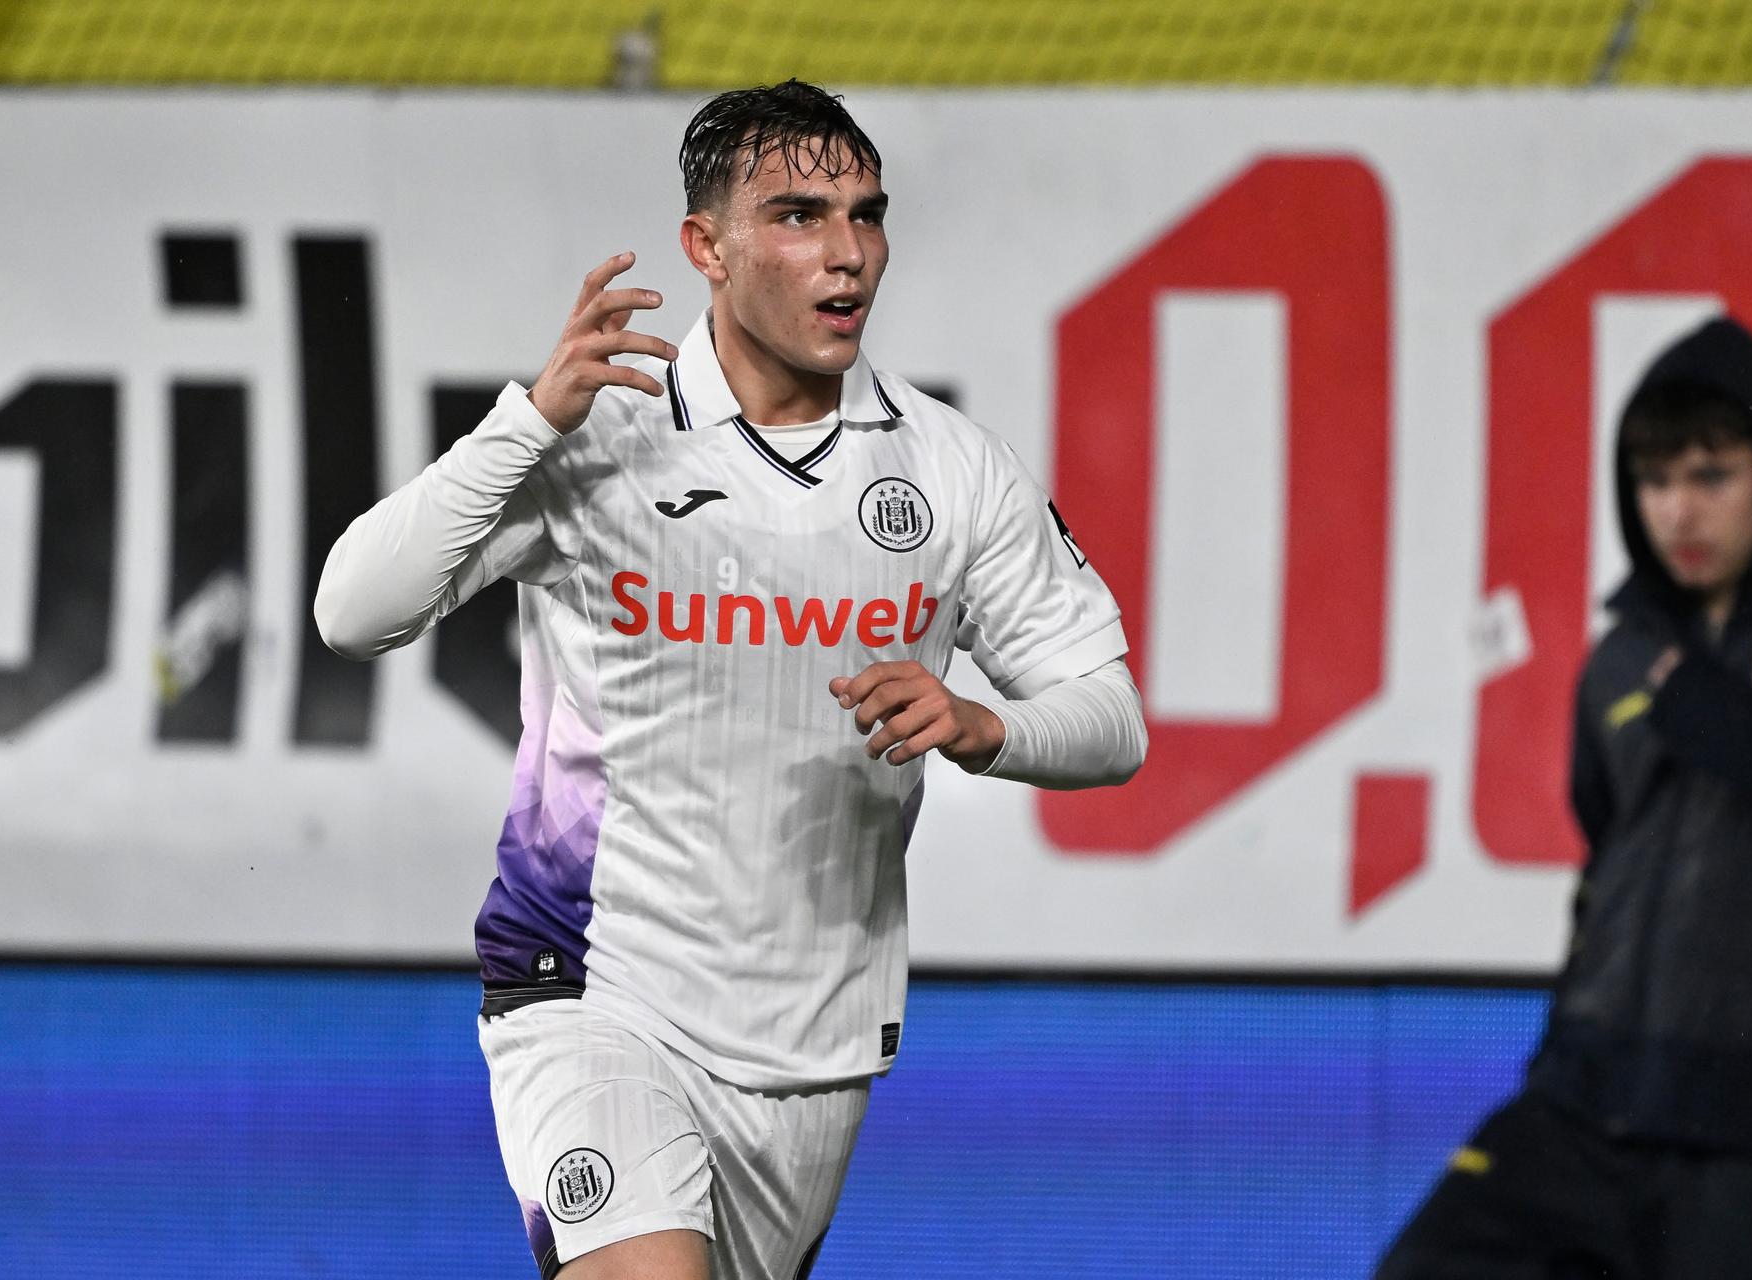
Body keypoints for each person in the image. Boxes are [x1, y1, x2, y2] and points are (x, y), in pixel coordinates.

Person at [314, 80, 1146, 1280]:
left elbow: (1111, 716)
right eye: (800, 216)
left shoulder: (953, 471)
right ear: (706, 246)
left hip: (816, 1041)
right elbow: (352, 611)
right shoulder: (594, 437)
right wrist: (523, 423)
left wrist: (981, 721)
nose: (848, 254)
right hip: (591, 987)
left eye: (867, 215)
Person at [1377, 317, 1752, 1279]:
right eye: (1656, 481)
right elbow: (1610, 865)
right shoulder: (1619, 661)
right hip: (1588, 1104)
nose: (1680, 512)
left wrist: (1712, 712)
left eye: (1712, 476)